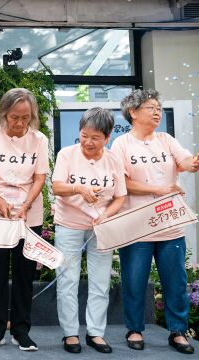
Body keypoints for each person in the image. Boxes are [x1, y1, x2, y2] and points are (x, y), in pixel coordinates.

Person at [111, 89, 198, 354]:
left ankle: (178, 331)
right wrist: (159, 190)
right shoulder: (122, 144)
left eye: (159, 108)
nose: (157, 112)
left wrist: (193, 162)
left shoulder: (166, 139)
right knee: (134, 280)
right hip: (137, 225)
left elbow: (185, 161)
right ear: (133, 113)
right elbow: (121, 182)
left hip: (169, 225)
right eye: (151, 107)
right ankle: (135, 329)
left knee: (175, 279)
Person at [0, 88, 49, 351]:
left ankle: (21, 331)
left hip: (28, 215)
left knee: (24, 274)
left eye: (25, 118)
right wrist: (0, 203)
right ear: (3, 114)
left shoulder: (39, 140)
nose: (20, 124)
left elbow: (39, 177)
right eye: (14, 117)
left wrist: (25, 206)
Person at [52, 107, 126, 354]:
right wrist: (79, 189)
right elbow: (57, 187)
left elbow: (120, 197)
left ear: (108, 137)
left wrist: (106, 215)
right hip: (69, 226)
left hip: (101, 229)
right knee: (67, 279)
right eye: (84, 135)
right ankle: (70, 333)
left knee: (100, 282)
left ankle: (96, 333)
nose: (88, 142)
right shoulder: (67, 154)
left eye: (95, 137)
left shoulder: (114, 159)